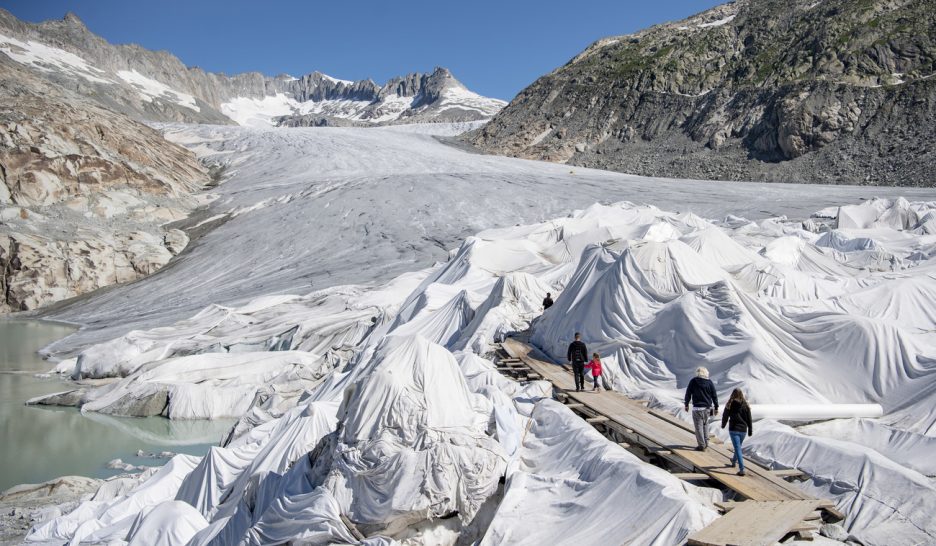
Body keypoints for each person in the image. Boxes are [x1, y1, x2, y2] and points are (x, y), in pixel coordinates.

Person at [684, 366, 718, 451]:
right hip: (708, 408)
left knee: (698, 427)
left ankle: (701, 445)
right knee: (706, 425)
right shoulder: (709, 382)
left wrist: (686, 404)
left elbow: (688, 393)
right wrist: (716, 407)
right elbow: (714, 395)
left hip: (697, 409)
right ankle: (706, 443)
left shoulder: (693, 381)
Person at [721, 388, 753, 476]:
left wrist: (723, 425)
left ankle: (742, 469)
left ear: (733, 394)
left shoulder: (730, 404)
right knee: (738, 447)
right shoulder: (745, 405)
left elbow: (725, 416)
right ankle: (733, 461)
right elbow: (749, 418)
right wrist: (750, 429)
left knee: (737, 448)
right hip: (743, 430)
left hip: (734, 429)